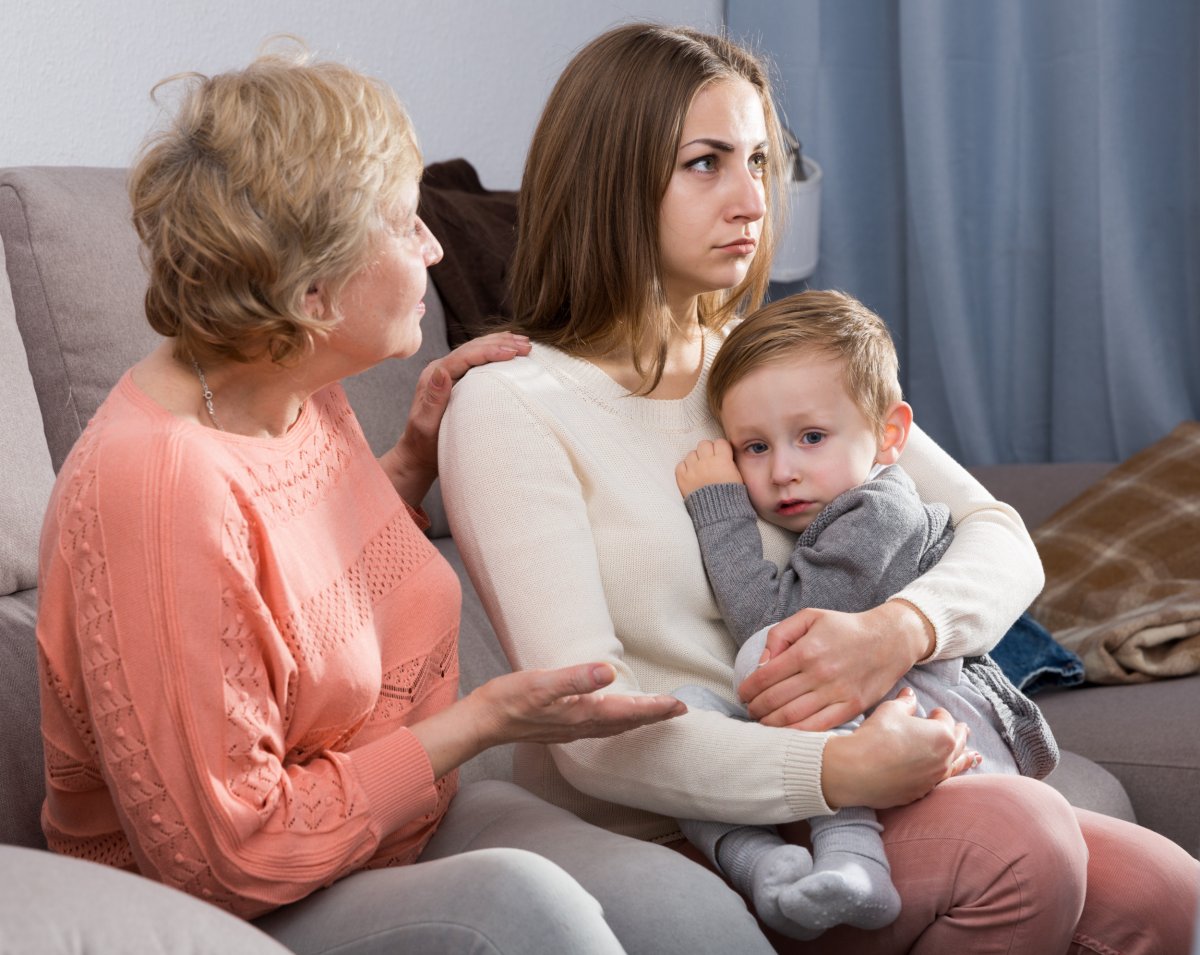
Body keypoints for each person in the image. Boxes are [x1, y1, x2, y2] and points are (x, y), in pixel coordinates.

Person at [439, 21, 1200, 954]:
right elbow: (590, 731)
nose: (752, 198)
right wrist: (836, 766)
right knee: (1024, 843)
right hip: (689, 818)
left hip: (848, 777)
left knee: (1173, 891)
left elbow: (998, 535)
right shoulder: (511, 405)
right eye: (707, 163)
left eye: (761, 160)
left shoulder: (761, 369)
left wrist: (896, 632)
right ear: (610, 176)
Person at [35, 46, 784, 955]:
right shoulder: (153, 491)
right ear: (312, 292)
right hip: (238, 900)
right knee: (527, 911)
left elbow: (272, 594)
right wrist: (483, 720)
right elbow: (230, 857)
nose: (434, 246)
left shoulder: (290, 388)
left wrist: (409, 462)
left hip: (402, 830)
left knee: (695, 919)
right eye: (405, 223)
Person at [670, 289, 1059, 940]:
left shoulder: (877, 513)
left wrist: (719, 505)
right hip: (894, 723)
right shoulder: (842, 500)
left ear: (890, 436)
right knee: (684, 721)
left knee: (771, 651)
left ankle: (855, 856)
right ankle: (761, 861)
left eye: (811, 438)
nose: (783, 472)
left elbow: (775, 622)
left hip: (943, 726)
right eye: (754, 448)